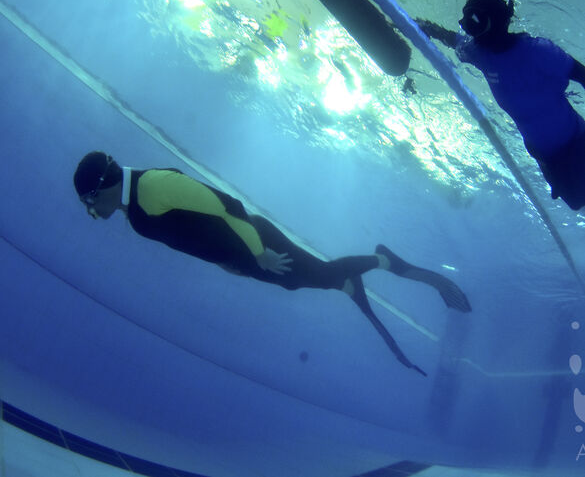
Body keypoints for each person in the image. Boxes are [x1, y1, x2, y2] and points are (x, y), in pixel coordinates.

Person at [73, 151, 471, 376]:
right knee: (296, 282)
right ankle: (349, 284)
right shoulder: (134, 208)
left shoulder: (152, 187)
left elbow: (228, 207)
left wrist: (255, 251)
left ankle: (381, 259)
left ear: (99, 191)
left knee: (315, 274)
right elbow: (189, 234)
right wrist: (225, 262)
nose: (92, 212)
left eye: (89, 204)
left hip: (255, 242)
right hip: (241, 254)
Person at [416, 0, 585, 210]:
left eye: (477, 23)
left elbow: (582, 75)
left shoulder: (537, 51)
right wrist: (424, 26)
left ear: (498, 22)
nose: (471, 32)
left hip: (576, 140)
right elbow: (453, 39)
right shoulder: (479, 52)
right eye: (468, 24)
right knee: (575, 203)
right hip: (543, 154)